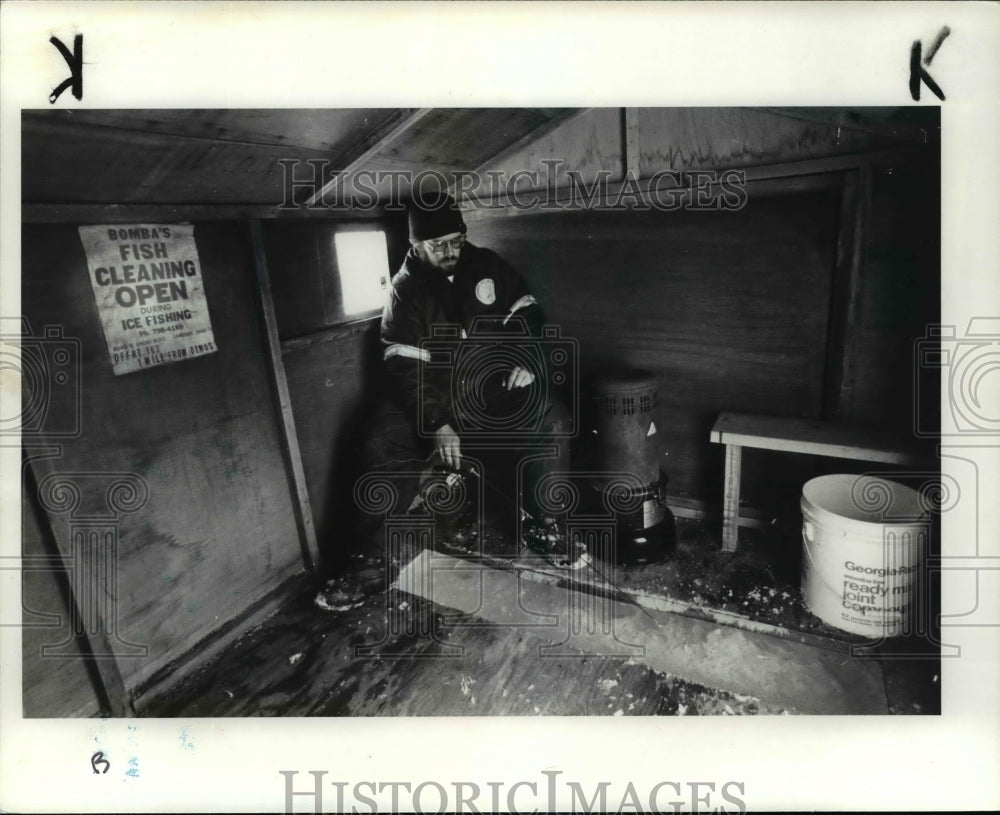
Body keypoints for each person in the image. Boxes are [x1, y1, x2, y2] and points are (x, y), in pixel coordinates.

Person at [356, 190, 572, 552]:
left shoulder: (487, 265)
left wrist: (526, 359)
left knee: (552, 416)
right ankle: (371, 556)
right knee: (380, 440)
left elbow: (527, 312)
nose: (450, 252)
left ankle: (543, 522)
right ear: (417, 243)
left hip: (487, 388)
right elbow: (403, 366)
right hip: (430, 397)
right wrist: (438, 423)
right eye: (438, 245)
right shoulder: (404, 291)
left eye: (456, 241)